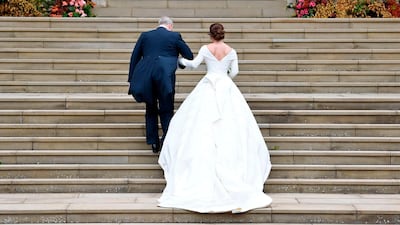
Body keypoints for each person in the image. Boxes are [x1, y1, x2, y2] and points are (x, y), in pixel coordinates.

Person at [157, 23, 272, 213]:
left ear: (210, 35)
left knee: (199, 126)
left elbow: (193, 64)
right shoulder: (231, 51)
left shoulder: (205, 48)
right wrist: (224, 74)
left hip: (208, 85)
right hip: (226, 87)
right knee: (232, 126)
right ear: (223, 35)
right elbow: (234, 72)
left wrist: (180, 62)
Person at [128, 16, 193, 153]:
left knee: (150, 109)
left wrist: (132, 78)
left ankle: (153, 142)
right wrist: (178, 62)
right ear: (170, 26)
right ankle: (167, 139)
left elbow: (135, 57)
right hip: (165, 78)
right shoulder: (174, 36)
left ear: (159, 25)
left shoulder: (145, 36)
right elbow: (189, 55)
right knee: (166, 109)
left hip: (147, 77)